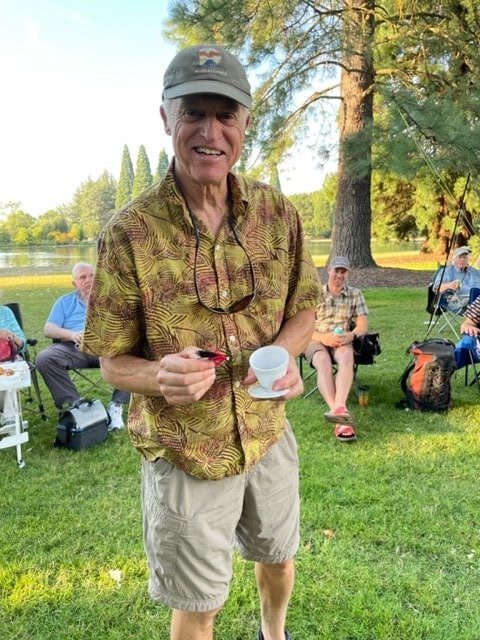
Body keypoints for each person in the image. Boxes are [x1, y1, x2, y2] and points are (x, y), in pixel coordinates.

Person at [82, 44, 321, 640]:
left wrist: (289, 353)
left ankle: (274, 633)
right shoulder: (130, 232)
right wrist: (158, 375)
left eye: (225, 114)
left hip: (267, 433)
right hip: (187, 451)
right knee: (199, 605)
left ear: (245, 123)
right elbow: (111, 360)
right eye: (194, 112)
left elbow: (305, 306)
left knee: (279, 557)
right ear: (166, 117)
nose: (210, 132)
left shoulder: (277, 214)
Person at [36, 262, 129, 428]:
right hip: (74, 347)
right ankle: (75, 406)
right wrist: (72, 335)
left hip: (107, 348)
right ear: (75, 283)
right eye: (82, 277)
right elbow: (48, 329)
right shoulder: (64, 302)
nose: (88, 280)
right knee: (45, 358)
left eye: (92, 275)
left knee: (134, 352)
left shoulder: (113, 299)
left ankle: (116, 405)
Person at [305, 256, 368, 442]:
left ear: (348, 274)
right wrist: (323, 337)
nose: (339, 275)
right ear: (328, 271)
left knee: (347, 357)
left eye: (343, 271)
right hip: (316, 337)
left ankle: (338, 408)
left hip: (341, 338)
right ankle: (340, 414)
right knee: (322, 360)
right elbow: (304, 327)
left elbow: (363, 325)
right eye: (336, 271)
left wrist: (351, 336)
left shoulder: (355, 294)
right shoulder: (314, 293)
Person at [432, 246, 480, 313]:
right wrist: (448, 285)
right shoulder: (447, 272)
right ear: (454, 259)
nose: (462, 260)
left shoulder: (473, 271)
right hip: (458, 301)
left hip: (476, 300)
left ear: (468, 259)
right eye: (460, 257)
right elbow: (435, 288)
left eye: (464, 257)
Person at [0, 305, 26, 424]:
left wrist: (11, 335)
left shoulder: (4, 312)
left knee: (8, 370)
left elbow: (23, 345)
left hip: (8, 359)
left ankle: (10, 419)